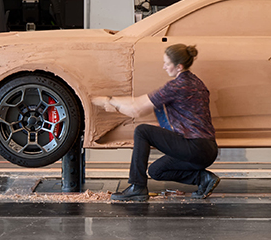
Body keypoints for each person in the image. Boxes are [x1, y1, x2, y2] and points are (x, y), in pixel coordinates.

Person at [92, 44, 219, 202]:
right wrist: (113, 101)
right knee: (156, 170)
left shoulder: (177, 86)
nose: (164, 67)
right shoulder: (197, 83)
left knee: (142, 131)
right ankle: (203, 178)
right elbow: (137, 103)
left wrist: (111, 102)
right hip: (208, 150)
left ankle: (137, 187)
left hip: (194, 147)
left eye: (167, 63)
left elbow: (137, 109)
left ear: (179, 66)